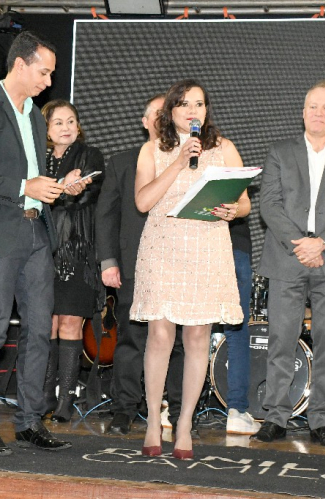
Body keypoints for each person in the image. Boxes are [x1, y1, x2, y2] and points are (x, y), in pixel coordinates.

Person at [0, 31, 91, 456]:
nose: (48, 81)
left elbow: (30, 174)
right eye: (43, 72)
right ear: (19, 65)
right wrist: (23, 186)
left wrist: (54, 187)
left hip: (36, 231)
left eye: (50, 74)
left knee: (38, 329)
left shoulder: (33, 115)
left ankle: (30, 421)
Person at [132, 79, 247, 460]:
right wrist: (179, 162)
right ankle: (153, 420)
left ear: (206, 111)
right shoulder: (152, 149)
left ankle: (184, 424)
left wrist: (232, 210)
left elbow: (244, 203)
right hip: (163, 247)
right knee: (160, 336)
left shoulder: (224, 148)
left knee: (198, 337)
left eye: (199, 104)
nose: (193, 110)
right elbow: (143, 202)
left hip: (207, 248)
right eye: (184, 104)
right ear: (171, 111)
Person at [253, 79, 325, 446]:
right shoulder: (279, 152)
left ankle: (322, 419)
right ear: (303, 112)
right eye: (313, 106)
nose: (318, 113)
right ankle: (276, 416)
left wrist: (322, 243)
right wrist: (301, 245)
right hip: (287, 258)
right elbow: (269, 204)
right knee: (280, 340)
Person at [95, 94, 185, 435]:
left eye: (168, 113)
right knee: (131, 340)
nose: (163, 119)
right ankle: (124, 410)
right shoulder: (122, 162)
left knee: (178, 342)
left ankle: (180, 412)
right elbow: (106, 215)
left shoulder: (191, 161)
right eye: (156, 114)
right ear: (144, 122)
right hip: (134, 264)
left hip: (180, 266)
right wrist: (108, 261)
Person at [39, 99, 104, 422]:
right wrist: (61, 187)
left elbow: (90, 194)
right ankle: (44, 395)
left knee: (69, 322)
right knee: (46, 323)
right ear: (46, 129)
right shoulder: (37, 158)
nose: (66, 128)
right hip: (41, 251)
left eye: (71, 121)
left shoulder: (90, 155)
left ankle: (66, 397)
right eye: (58, 122)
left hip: (77, 251)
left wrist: (69, 190)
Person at [224, 213, 260, 435]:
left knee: (191, 327)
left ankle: (175, 408)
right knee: (236, 331)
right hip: (236, 244)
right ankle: (236, 411)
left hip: (197, 243)